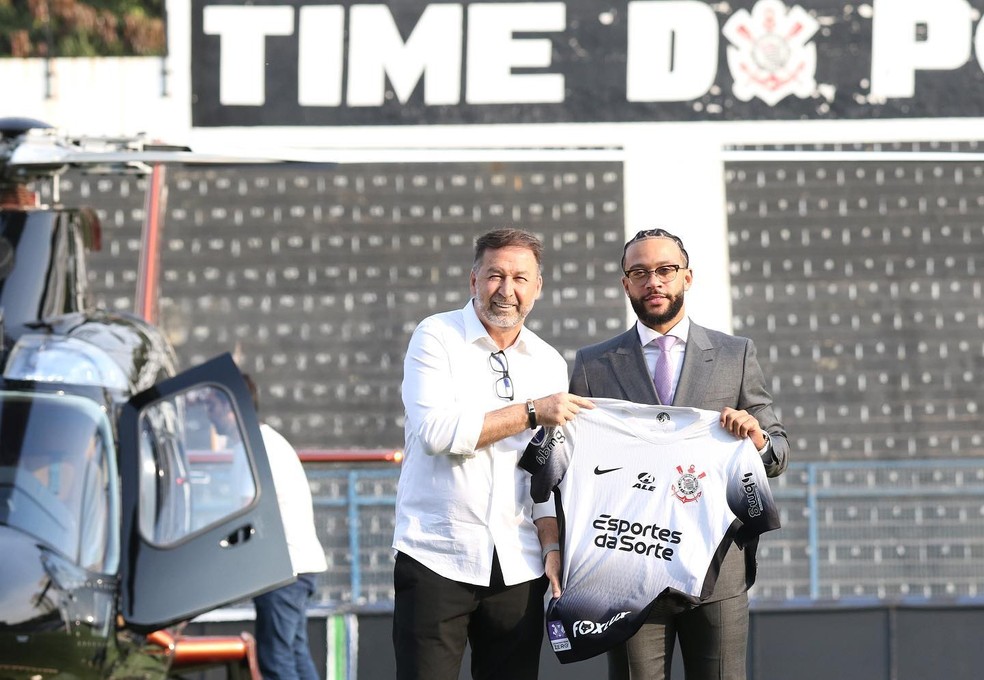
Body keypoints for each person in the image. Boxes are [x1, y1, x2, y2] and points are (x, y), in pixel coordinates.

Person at [563, 228, 789, 680]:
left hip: (718, 568)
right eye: (640, 272)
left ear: (687, 276)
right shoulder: (592, 364)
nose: (654, 282)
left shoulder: (735, 354)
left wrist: (756, 441)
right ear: (625, 283)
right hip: (625, 571)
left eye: (666, 270)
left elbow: (779, 453)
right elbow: (571, 466)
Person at [392, 227, 594, 680]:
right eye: (495, 276)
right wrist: (530, 411)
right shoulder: (435, 336)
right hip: (436, 556)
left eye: (521, 278)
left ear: (538, 287)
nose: (507, 290)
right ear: (473, 281)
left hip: (519, 564)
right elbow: (437, 432)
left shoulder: (548, 362)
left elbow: (544, 472)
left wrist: (552, 544)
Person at [210, 373, 329, 680]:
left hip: (282, 570)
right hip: (298, 566)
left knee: (275, 659)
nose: (209, 415)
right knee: (294, 653)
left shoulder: (250, 448)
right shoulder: (269, 441)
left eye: (214, 407)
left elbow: (243, 519)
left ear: (232, 407)